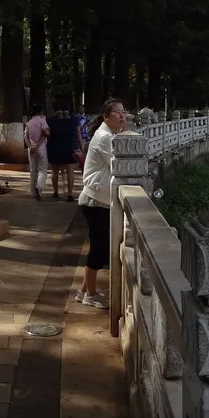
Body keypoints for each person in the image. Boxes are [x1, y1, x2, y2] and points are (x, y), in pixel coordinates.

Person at [75, 98, 131, 309]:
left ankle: (83, 291)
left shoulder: (108, 134)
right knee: (99, 248)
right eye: (118, 112)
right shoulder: (105, 137)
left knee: (99, 246)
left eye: (123, 112)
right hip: (95, 201)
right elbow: (121, 164)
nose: (122, 116)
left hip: (99, 199)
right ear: (107, 116)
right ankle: (90, 294)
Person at [24, 109, 49, 199]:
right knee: (42, 170)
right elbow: (47, 133)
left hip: (31, 150)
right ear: (40, 113)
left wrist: (31, 147)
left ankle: (33, 191)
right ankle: (39, 187)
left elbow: (26, 138)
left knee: (33, 170)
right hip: (41, 148)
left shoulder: (28, 123)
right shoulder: (42, 121)